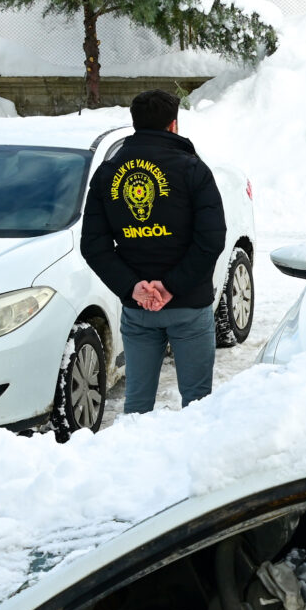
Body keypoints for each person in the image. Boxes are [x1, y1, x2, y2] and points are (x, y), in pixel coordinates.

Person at [81, 88, 226, 416]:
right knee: (198, 406)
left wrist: (134, 287)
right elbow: (211, 239)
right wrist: (171, 286)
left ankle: (136, 464)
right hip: (189, 304)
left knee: (137, 408)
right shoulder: (193, 170)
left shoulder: (107, 175)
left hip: (139, 307)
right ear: (173, 125)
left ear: (135, 125)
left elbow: (93, 244)